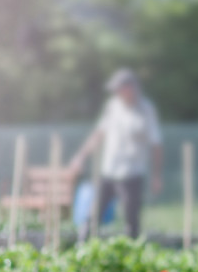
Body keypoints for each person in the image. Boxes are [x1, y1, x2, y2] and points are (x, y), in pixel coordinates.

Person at [70, 68, 163, 239]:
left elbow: (156, 144)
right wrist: (81, 156)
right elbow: (98, 134)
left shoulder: (146, 110)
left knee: (131, 220)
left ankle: (132, 257)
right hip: (109, 172)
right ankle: (80, 250)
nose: (117, 93)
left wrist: (157, 176)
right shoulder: (112, 106)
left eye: (119, 88)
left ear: (130, 88)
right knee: (93, 216)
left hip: (132, 174)